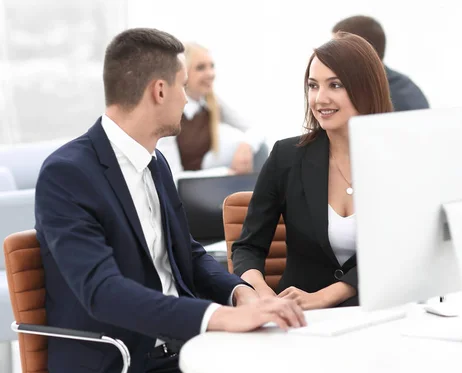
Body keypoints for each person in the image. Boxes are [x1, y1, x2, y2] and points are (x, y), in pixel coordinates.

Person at [34, 28, 304, 373]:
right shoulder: (66, 174)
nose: (187, 99)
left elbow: (187, 253)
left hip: (186, 351)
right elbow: (102, 291)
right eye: (182, 85)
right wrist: (219, 317)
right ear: (159, 91)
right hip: (120, 360)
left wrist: (241, 293)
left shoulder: (155, 161)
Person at [231, 32, 393, 310]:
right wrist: (260, 290)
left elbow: (401, 251)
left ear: (366, 88)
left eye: (336, 85)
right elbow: (248, 247)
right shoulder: (287, 156)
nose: (320, 98)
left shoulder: (397, 159)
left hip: (380, 313)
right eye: (313, 86)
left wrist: (327, 296)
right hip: (299, 319)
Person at [157, 42, 266, 175]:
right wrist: (224, 174)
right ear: (182, 73)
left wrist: (246, 145)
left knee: (260, 148)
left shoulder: (212, 102)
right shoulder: (168, 113)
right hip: (188, 186)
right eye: (201, 68)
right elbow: (173, 177)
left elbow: (257, 128)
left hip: (209, 179)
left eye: (212, 66)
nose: (210, 74)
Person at [332, 15, 429, 112]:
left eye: (337, 48)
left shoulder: (397, 99)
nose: (331, 55)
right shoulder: (404, 86)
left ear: (362, 50)